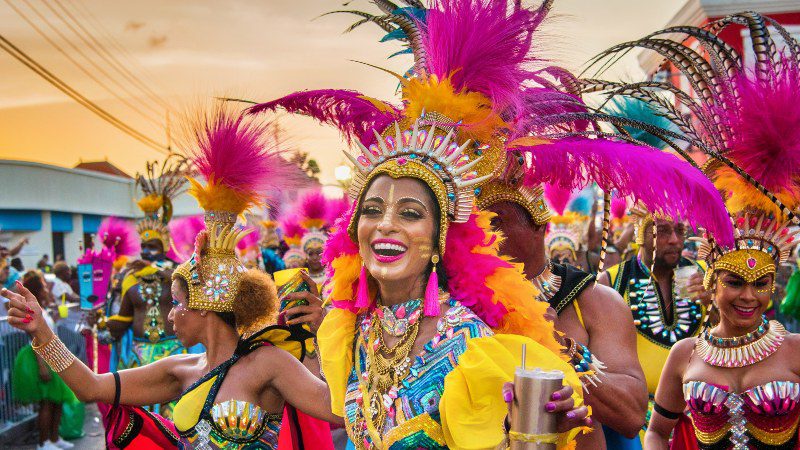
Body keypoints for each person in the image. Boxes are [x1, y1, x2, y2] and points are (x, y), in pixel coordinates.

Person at [3, 106, 338, 449]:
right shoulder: (179, 369)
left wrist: (317, 337)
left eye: (177, 303)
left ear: (205, 305)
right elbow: (90, 387)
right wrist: (41, 331)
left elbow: (336, 411)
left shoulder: (267, 362)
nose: (169, 315)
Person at [587, 11, 800, 448]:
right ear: (709, 278)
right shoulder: (686, 354)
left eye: (761, 284)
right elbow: (657, 433)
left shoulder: (795, 350)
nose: (749, 296)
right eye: (735, 281)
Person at [104, 155, 193, 419]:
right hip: (138, 354)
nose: (145, 251)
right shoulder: (130, 277)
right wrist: (101, 324)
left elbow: (184, 284)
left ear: (164, 247)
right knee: (139, 419)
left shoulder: (176, 273)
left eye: (152, 247)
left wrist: (153, 269)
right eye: (143, 247)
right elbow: (123, 317)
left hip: (173, 349)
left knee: (175, 415)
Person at [12, 270, 76, 450]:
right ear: (37, 289)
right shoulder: (30, 308)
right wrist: (41, 365)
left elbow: (47, 330)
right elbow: (34, 336)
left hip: (51, 355)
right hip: (39, 357)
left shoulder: (42, 307)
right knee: (47, 402)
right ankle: (43, 442)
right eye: (44, 286)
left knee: (57, 400)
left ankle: (55, 439)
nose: (47, 288)